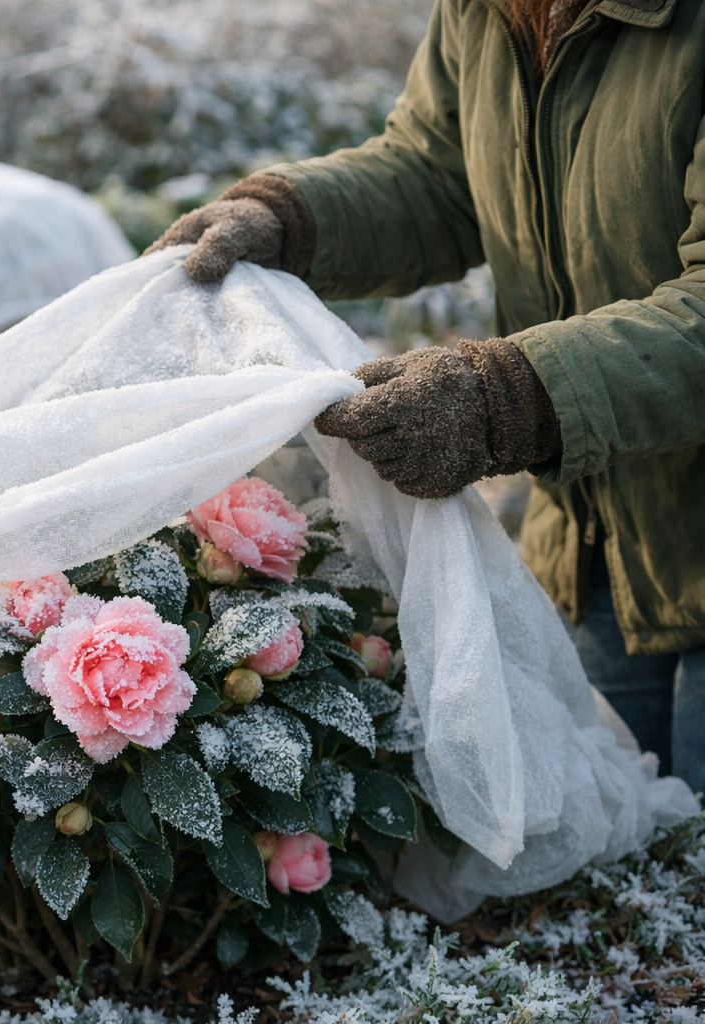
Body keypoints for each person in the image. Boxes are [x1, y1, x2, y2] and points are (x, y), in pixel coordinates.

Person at [147, 0, 705, 793]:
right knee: (620, 872)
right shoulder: (493, 12)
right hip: (598, 547)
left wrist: (507, 399)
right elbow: (439, 176)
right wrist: (290, 219)